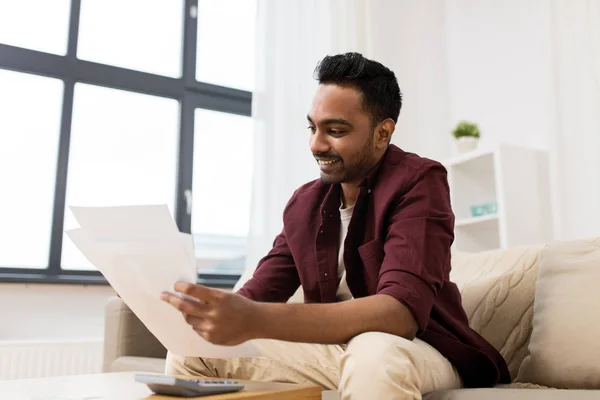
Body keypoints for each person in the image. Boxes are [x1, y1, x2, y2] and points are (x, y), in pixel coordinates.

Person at [160, 52, 510, 399]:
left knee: (375, 354)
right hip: (338, 349)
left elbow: (399, 314)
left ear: (382, 133)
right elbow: (256, 297)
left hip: (420, 348)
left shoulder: (419, 181)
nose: (316, 144)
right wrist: (198, 307)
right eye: (312, 127)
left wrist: (255, 319)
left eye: (335, 130)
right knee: (193, 351)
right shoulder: (304, 204)